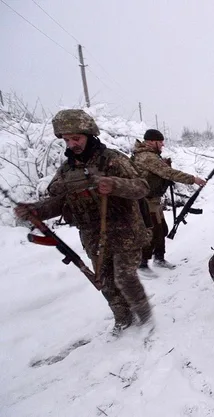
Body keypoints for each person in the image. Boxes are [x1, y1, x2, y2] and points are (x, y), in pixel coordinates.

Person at [14, 109, 153, 334]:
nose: (71, 144)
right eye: (67, 140)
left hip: (125, 229)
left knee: (124, 276)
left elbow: (142, 187)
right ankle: (122, 317)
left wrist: (115, 184)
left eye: (76, 138)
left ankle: (145, 316)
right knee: (105, 281)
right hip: (92, 233)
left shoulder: (113, 159)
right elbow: (59, 202)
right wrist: (35, 210)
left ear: (89, 135)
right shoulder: (67, 169)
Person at [131, 129, 207, 271]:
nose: (163, 145)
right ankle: (142, 264)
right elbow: (168, 173)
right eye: (160, 142)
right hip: (145, 201)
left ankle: (159, 258)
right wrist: (193, 179)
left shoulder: (152, 155)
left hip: (154, 200)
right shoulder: (147, 157)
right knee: (151, 231)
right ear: (152, 142)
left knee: (161, 229)